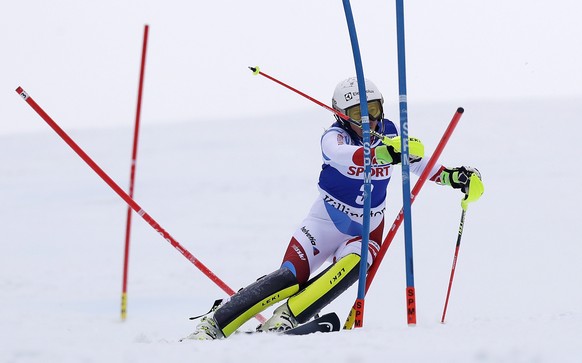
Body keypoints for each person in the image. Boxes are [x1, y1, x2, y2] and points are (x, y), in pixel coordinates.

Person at [182, 77, 483, 340]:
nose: (369, 121)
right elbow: (345, 155)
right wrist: (383, 152)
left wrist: (455, 177)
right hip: (324, 224)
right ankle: (214, 325)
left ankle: (283, 319)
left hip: (365, 229)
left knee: (357, 262)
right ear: (341, 115)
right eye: (358, 114)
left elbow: (420, 165)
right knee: (290, 279)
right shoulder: (333, 137)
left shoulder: (390, 133)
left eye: (374, 110)